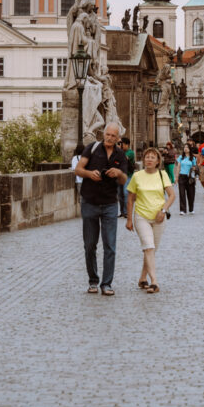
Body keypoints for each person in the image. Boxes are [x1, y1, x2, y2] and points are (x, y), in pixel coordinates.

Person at [74, 123, 128, 295]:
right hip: (90, 201)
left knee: (110, 245)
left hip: (110, 204)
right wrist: (90, 174)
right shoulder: (92, 148)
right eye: (107, 134)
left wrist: (118, 173)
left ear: (118, 138)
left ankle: (107, 283)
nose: (110, 138)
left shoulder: (121, 155)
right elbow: (78, 169)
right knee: (90, 245)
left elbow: (123, 180)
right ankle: (93, 280)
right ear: (103, 134)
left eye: (113, 136)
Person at [126, 146, 176, 293]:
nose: (149, 159)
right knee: (148, 246)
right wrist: (129, 219)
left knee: (152, 250)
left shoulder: (162, 175)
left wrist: (164, 210)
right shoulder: (137, 176)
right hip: (141, 216)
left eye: (152, 157)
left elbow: (172, 195)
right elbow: (130, 199)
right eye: (147, 157)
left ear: (157, 161)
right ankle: (154, 281)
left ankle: (143, 278)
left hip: (159, 217)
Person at [118, 136, 136, 217]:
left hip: (128, 175)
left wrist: (118, 150)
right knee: (119, 194)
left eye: (122, 144)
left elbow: (123, 159)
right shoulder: (119, 151)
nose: (121, 145)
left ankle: (126, 212)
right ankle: (122, 211)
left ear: (127, 145)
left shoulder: (130, 152)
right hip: (119, 176)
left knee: (125, 193)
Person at [177, 143, 197, 215]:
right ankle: (182, 210)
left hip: (189, 177)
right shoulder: (180, 157)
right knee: (182, 194)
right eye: (184, 147)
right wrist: (176, 177)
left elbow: (194, 168)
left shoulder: (193, 158)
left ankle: (191, 209)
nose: (185, 149)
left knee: (191, 194)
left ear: (189, 149)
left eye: (187, 147)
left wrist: (195, 178)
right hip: (182, 177)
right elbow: (178, 167)